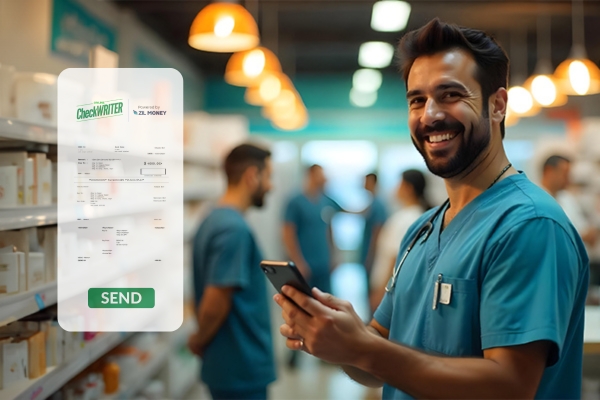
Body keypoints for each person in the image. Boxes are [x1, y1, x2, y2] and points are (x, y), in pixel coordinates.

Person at [274, 18, 589, 399]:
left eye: (451, 94)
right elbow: (378, 364)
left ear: (498, 105)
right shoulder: (422, 229)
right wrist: (339, 336)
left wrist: (364, 348)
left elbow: (510, 386)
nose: (429, 115)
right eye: (417, 99)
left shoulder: (528, 225)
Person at [188, 144, 276, 400]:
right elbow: (217, 298)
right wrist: (199, 339)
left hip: (227, 364)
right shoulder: (233, 229)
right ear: (252, 176)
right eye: (269, 176)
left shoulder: (213, 218)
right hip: (240, 366)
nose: (271, 186)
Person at [282, 164, 342, 368]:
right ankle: (295, 353)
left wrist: (333, 254)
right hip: (305, 265)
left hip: (323, 263)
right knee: (299, 309)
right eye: (320, 175)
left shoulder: (325, 202)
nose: (324, 179)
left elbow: (329, 229)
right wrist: (297, 261)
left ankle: (326, 354)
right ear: (310, 175)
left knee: (326, 310)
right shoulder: (295, 202)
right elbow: (288, 232)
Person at [369, 169, 429, 312]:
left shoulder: (410, 218)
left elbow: (396, 258)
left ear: (408, 188)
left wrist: (382, 291)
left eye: (399, 184)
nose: (395, 188)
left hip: (389, 289)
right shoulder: (411, 214)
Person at [541, 154, 597, 246]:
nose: (568, 180)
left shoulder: (567, 198)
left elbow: (583, 230)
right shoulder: (536, 200)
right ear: (549, 171)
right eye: (565, 174)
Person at [360, 173, 387, 288]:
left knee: (372, 287)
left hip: (372, 253)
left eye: (366, 181)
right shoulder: (372, 203)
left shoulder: (378, 205)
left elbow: (377, 232)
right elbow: (361, 213)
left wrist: (371, 256)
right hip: (367, 251)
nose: (364, 184)